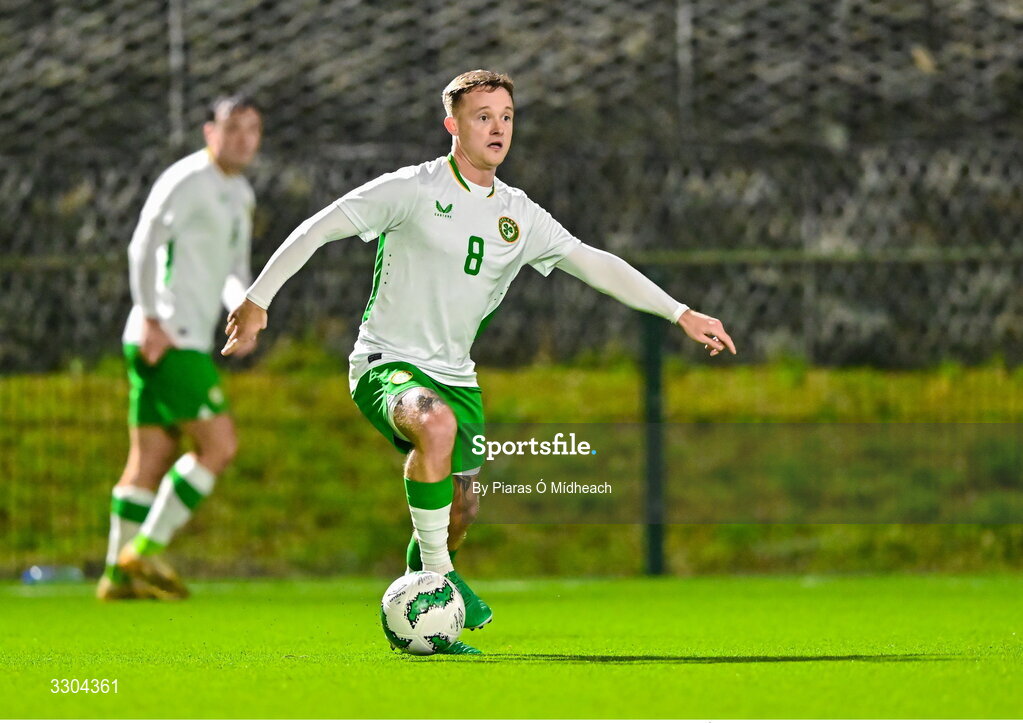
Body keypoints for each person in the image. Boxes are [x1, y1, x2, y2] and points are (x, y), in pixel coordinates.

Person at [223, 70, 735, 652]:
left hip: (458, 377)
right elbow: (320, 227)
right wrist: (258, 299)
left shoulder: (518, 214)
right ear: (453, 126)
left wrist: (680, 313)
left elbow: (594, 263)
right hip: (384, 362)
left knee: (461, 509)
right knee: (432, 426)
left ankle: (423, 603)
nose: (497, 127)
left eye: (507, 115)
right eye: (482, 116)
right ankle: (441, 585)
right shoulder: (411, 189)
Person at [97, 95, 263, 601]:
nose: (242, 139)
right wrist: (150, 317)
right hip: (167, 337)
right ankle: (143, 552)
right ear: (210, 131)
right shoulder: (186, 179)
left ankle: (115, 578)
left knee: (148, 459)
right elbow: (142, 245)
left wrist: (244, 308)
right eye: (232, 128)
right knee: (220, 445)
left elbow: (234, 270)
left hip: (175, 337)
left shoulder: (242, 194)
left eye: (252, 130)